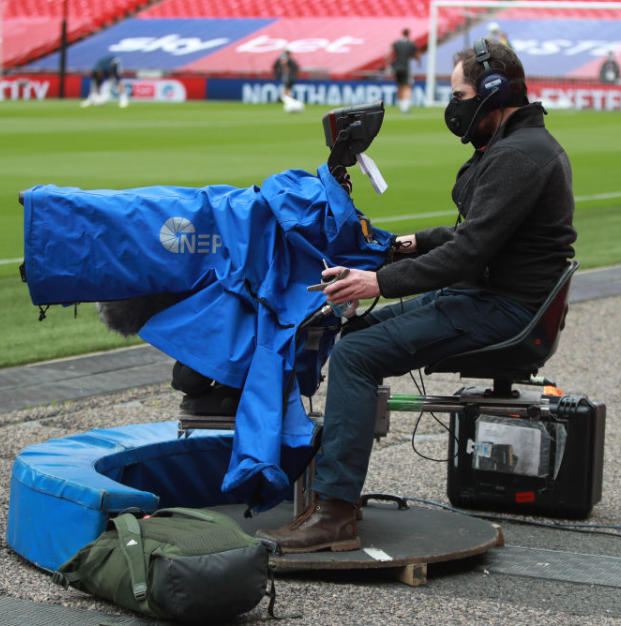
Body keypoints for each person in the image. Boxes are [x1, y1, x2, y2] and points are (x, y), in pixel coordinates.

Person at [256, 39, 577, 553]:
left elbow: (468, 255)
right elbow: (472, 238)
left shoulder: (519, 156)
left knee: (356, 355)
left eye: (459, 93)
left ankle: (335, 514)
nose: (454, 105)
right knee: (356, 333)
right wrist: (397, 247)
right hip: (491, 296)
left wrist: (376, 282)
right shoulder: (516, 146)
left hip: (503, 310)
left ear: (492, 91)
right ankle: (333, 489)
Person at [388, 28, 420, 113]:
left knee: (399, 86)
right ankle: (404, 107)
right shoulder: (411, 44)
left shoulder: (396, 43)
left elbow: (389, 53)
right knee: (407, 86)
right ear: (409, 34)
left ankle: (401, 105)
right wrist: (418, 62)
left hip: (397, 67)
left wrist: (389, 64)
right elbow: (417, 55)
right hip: (406, 67)